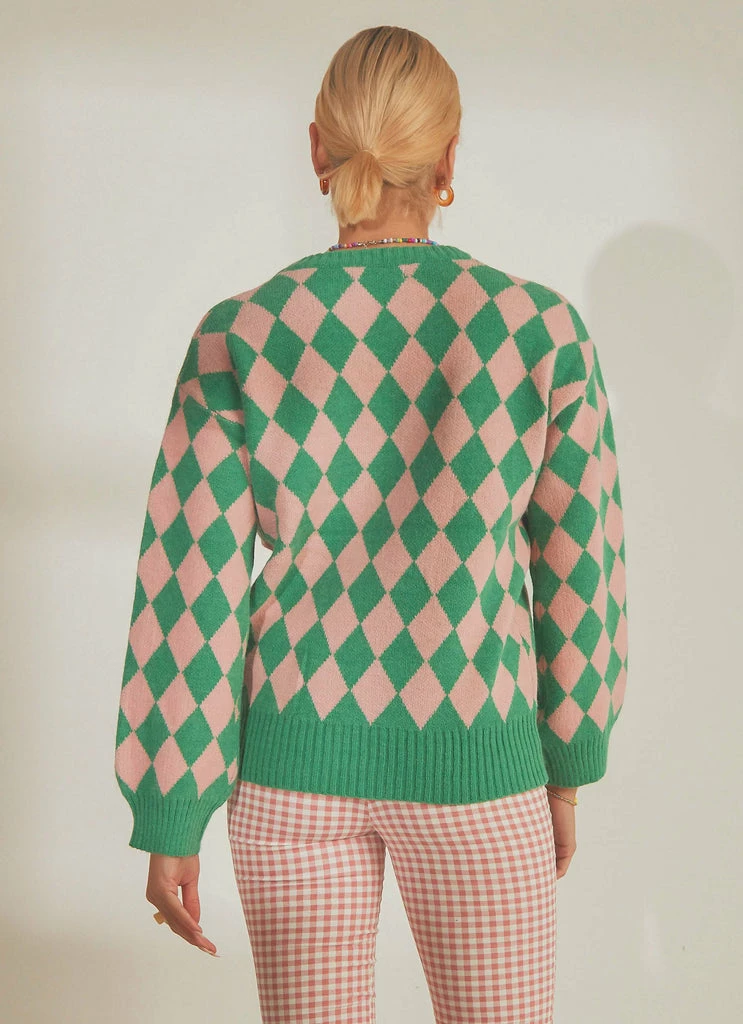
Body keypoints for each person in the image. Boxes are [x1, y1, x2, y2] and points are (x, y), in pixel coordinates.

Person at [114, 24, 629, 1024]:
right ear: (447, 158)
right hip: (478, 769)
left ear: (318, 148)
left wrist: (170, 807)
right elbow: (580, 571)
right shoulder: (538, 330)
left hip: (289, 777)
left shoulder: (239, 332)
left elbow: (191, 580)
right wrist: (567, 765)